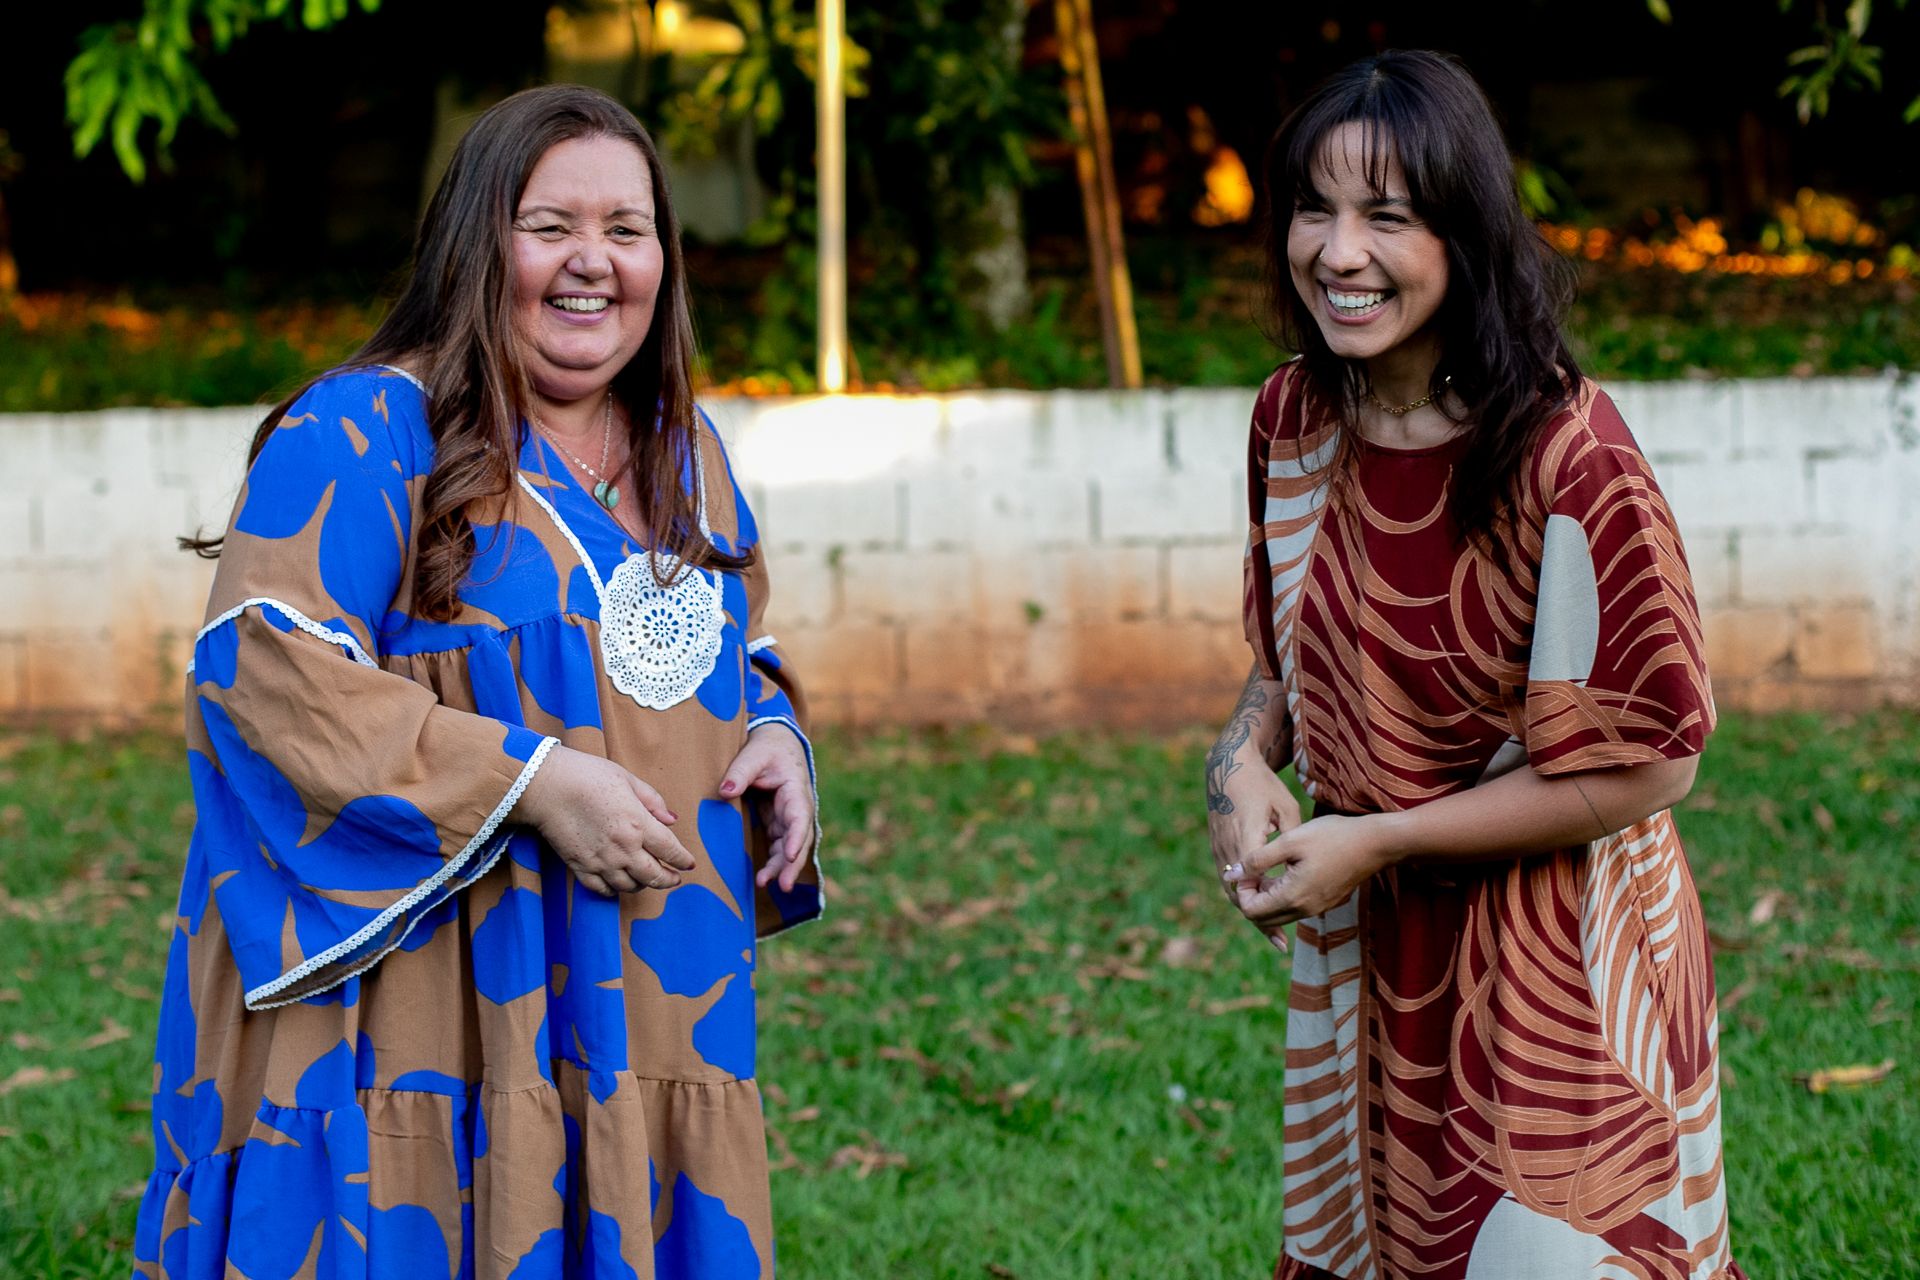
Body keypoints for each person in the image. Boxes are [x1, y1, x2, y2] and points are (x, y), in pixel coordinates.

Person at [133, 85, 820, 1280]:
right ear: (475, 240)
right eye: (550, 224)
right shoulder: (368, 428)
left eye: (628, 228)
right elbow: (264, 663)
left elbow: (723, 641)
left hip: (643, 992)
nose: (593, 262)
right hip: (422, 1010)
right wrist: (533, 782)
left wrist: (775, 728)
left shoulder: (684, 450)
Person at [1206, 52, 1743, 1280]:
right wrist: (1239, 771)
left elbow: (1656, 765)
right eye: (1314, 208)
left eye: (1387, 217)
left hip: (1561, 962)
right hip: (1371, 960)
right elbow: (1276, 672)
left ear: (1466, 233)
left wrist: (1380, 839)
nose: (1339, 252)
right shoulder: (1293, 418)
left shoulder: (1565, 452)